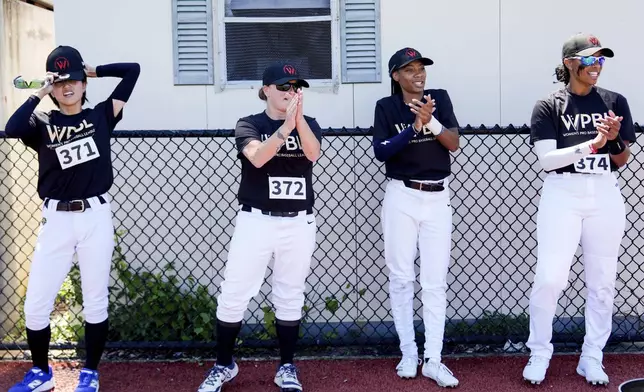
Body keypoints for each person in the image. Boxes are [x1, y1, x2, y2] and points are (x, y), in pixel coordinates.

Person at [4, 45, 140, 392]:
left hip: (95, 216)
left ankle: (90, 372)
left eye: (73, 80)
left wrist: (93, 69)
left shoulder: (101, 116)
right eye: (60, 81)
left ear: (83, 83)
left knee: (95, 299)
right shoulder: (42, 123)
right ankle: (40, 373)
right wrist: (39, 92)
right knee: (36, 303)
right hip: (56, 220)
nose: (67, 87)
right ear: (52, 85)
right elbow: (13, 127)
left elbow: (133, 70)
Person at [197, 62, 322, 392]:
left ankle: (286, 367)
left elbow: (313, 153)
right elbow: (257, 157)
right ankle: (224, 365)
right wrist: (283, 130)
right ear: (266, 89)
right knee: (234, 293)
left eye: (295, 87)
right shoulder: (249, 123)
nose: (290, 93)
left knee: (290, 294)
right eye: (283, 86)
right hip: (256, 220)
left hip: (298, 222)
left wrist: (297, 122)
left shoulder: (308, 124)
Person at [522, 33, 635, 386]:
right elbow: (546, 161)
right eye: (589, 59)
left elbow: (621, 159)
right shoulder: (549, 104)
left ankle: (592, 357)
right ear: (570, 63)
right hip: (563, 193)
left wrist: (613, 139)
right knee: (550, 278)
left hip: (603, 192)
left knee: (602, 284)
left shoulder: (615, 100)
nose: (596, 65)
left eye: (601, 59)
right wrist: (593, 144)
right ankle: (540, 352)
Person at [371, 47, 461, 388]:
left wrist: (430, 120)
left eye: (421, 67)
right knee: (401, 277)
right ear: (396, 76)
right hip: (401, 195)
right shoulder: (387, 106)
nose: (418, 74)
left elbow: (453, 143)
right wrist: (414, 127)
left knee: (435, 283)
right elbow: (382, 151)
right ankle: (409, 352)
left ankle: (434, 359)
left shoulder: (438, 98)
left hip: (438, 196)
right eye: (409, 69)